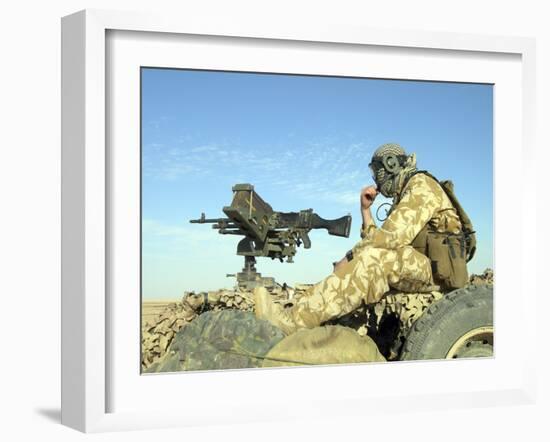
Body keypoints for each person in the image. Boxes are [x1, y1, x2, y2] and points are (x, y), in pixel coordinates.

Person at [254, 142, 473, 335]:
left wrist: (349, 257)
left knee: (373, 261)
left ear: (390, 165)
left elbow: (388, 240)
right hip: (424, 265)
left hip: (439, 273)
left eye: (376, 171)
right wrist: (365, 210)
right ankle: (298, 312)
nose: (375, 178)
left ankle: (292, 322)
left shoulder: (421, 186)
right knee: (371, 257)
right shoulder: (406, 192)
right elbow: (380, 241)